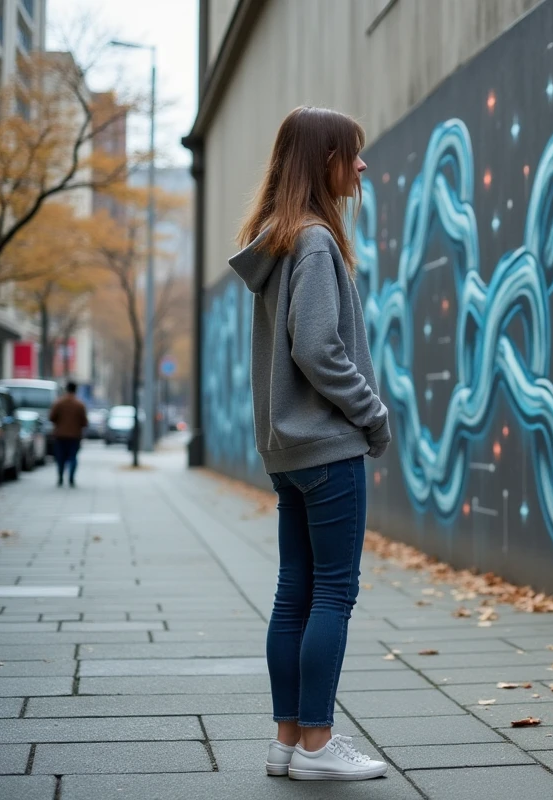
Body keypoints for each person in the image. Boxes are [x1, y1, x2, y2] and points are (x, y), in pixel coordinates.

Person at [230, 106, 390, 781]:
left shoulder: (280, 242)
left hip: (288, 453)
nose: (360, 166)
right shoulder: (317, 241)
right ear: (322, 160)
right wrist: (372, 414)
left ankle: (287, 740)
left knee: (294, 591)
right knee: (332, 593)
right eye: (350, 154)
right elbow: (320, 349)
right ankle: (319, 747)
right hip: (328, 447)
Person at [48, 382, 87, 488]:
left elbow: (51, 417)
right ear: (75, 390)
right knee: (73, 457)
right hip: (75, 436)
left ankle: (60, 477)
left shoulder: (59, 403)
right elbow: (84, 422)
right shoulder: (79, 405)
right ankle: (71, 478)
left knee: (60, 457)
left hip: (60, 435)